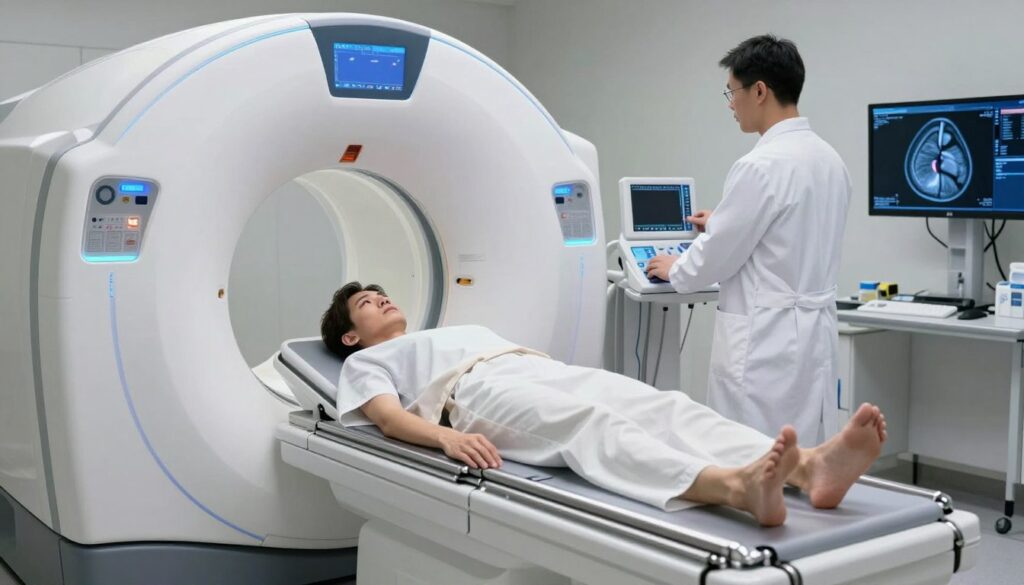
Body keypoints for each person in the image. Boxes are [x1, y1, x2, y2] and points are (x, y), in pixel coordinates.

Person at [320, 282, 886, 527]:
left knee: (661, 404)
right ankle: (731, 486)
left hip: (534, 365)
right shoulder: (364, 363)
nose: (382, 298)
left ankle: (809, 468)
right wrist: (446, 437)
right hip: (474, 393)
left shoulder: (449, 328)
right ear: (351, 336)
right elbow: (389, 418)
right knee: (590, 425)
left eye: (380, 291)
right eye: (367, 303)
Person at [645, 35, 852, 443]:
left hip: (767, 341)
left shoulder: (759, 165)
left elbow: (716, 259)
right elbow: (789, 229)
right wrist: (724, 221)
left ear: (759, 91)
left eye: (732, 91)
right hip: (813, 334)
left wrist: (676, 268)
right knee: (805, 445)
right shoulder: (829, 159)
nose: (730, 103)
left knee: (753, 449)